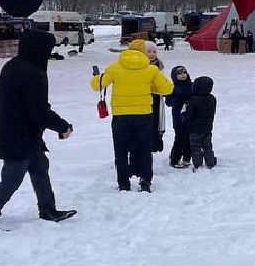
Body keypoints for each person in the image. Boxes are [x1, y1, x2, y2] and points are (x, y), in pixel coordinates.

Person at [0, 29, 76, 227]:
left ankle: (48, 209)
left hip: (21, 134)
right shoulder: (33, 73)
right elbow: (38, 110)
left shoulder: (12, 66)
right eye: (48, 49)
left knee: (40, 168)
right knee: (12, 178)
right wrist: (62, 127)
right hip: (18, 137)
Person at [92, 39, 173, 192]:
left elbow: (96, 85)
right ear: (143, 52)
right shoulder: (151, 70)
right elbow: (167, 89)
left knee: (121, 151)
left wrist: (96, 75)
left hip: (121, 117)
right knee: (144, 149)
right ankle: (145, 181)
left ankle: (124, 184)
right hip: (144, 115)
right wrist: (150, 88)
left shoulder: (114, 68)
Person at [182, 76, 218, 170]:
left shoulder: (192, 100)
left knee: (195, 146)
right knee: (207, 145)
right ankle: (210, 162)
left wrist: (184, 116)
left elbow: (189, 115)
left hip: (194, 129)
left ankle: (197, 163)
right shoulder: (212, 98)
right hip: (207, 127)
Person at [166, 64, 194, 168]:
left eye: (184, 72)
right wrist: (176, 98)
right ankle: (175, 159)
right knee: (180, 138)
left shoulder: (191, 85)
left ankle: (187, 158)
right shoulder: (173, 87)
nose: (182, 75)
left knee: (190, 138)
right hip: (178, 117)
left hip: (190, 116)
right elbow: (168, 102)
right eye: (179, 73)